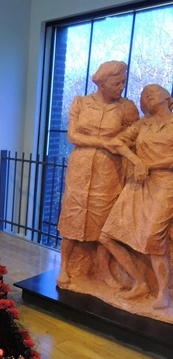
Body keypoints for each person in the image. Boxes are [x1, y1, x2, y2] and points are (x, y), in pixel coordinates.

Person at [57, 61, 140, 289]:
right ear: (102, 84)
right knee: (72, 217)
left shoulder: (127, 107)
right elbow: (73, 136)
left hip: (109, 169)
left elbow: (135, 136)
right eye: (116, 83)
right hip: (80, 168)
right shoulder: (81, 103)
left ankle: (103, 270)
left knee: (104, 221)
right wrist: (104, 142)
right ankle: (64, 267)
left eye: (123, 82)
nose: (121, 87)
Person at [100, 84, 173, 309]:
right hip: (138, 184)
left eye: (154, 90)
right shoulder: (143, 124)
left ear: (167, 96)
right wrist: (136, 161)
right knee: (107, 235)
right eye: (144, 93)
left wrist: (148, 165)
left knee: (153, 240)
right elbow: (116, 142)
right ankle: (140, 283)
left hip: (164, 185)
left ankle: (163, 293)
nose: (147, 94)